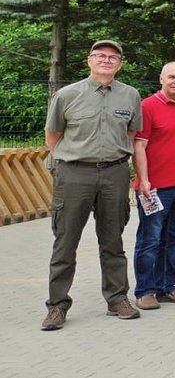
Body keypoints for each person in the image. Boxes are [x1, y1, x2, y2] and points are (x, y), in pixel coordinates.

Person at [41, 40, 143, 330]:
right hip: (75, 174)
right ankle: (57, 306)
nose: (106, 61)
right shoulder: (68, 95)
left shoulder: (130, 95)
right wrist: (72, 161)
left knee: (113, 241)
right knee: (65, 242)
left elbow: (132, 133)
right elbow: (53, 136)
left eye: (113, 57)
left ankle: (117, 299)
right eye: (100, 56)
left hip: (114, 173)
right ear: (89, 60)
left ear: (120, 64)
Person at [131, 61, 175, 310]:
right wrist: (144, 179)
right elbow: (138, 146)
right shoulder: (148, 107)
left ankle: (167, 287)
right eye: (171, 76)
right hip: (156, 188)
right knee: (150, 240)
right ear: (161, 79)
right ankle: (145, 290)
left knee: (173, 239)